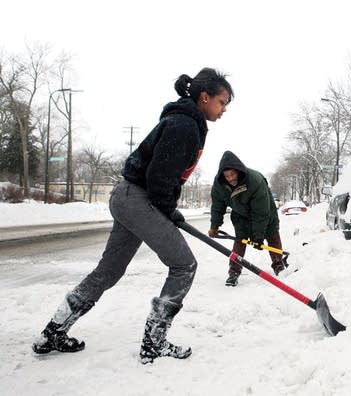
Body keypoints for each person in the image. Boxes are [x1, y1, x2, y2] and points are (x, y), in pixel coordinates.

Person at [32, 68, 234, 364]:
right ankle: (154, 341)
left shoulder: (185, 120)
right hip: (138, 198)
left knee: (109, 270)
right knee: (184, 264)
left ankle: (54, 330)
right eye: (222, 101)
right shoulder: (184, 125)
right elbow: (159, 177)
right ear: (204, 97)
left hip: (129, 196)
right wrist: (168, 209)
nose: (224, 109)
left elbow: (161, 176)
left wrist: (168, 208)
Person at [208, 151, 285, 286]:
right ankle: (233, 273)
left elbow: (260, 213)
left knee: (272, 236)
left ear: (238, 170)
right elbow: (217, 206)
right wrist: (214, 225)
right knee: (239, 241)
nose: (230, 178)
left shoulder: (254, 180)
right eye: (227, 176)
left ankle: (279, 265)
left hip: (266, 212)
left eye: (232, 174)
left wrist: (258, 236)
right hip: (241, 215)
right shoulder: (219, 184)